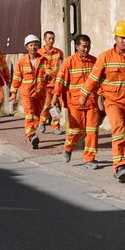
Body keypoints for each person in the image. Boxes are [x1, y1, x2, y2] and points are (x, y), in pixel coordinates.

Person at [79, 20, 125, 182]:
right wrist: (83, 95)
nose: (124, 41)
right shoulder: (105, 57)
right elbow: (93, 78)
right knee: (118, 131)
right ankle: (120, 165)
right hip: (112, 102)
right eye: (121, 37)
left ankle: (121, 164)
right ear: (115, 37)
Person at [52, 34, 100, 169]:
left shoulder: (94, 61)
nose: (86, 49)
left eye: (88, 46)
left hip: (91, 103)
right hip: (75, 103)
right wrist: (55, 96)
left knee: (92, 131)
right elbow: (60, 80)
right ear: (76, 46)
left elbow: (99, 80)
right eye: (83, 46)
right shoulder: (69, 62)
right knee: (75, 131)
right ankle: (68, 148)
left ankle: (89, 159)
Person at [9, 34, 51, 149]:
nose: (33, 47)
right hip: (26, 93)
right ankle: (31, 135)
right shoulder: (22, 62)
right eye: (31, 45)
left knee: (37, 115)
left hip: (40, 92)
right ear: (26, 47)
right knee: (29, 114)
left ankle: (31, 135)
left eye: (35, 45)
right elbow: (17, 78)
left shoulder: (44, 60)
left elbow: (50, 71)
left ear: (38, 46)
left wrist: (48, 75)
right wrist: (13, 93)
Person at [38, 31, 65, 135]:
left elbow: (61, 67)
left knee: (57, 105)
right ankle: (42, 121)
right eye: (49, 38)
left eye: (53, 38)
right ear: (44, 39)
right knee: (47, 104)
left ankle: (55, 126)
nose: (51, 41)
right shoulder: (39, 53)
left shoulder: (59, 52)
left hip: (57, 83)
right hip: (46, 85)